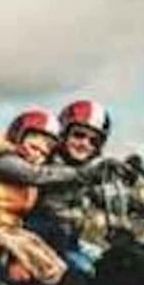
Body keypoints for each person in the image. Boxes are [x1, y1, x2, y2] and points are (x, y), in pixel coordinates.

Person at [0, 109, 107, 285]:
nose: (38, 154)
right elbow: (35, 175)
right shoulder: (4, 159)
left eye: (44, 153)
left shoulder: (19, 172)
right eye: (34, 147)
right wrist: (82, 174)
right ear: (17, 136)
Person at [26, 99, 114, 267]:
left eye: (93, 141)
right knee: (92, 273)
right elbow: (44, 179)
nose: (85, 144)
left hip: (71, 242)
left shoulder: (87, 171)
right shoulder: (42, 164)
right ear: (63, 134)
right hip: (41, 244)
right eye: (78, 135)